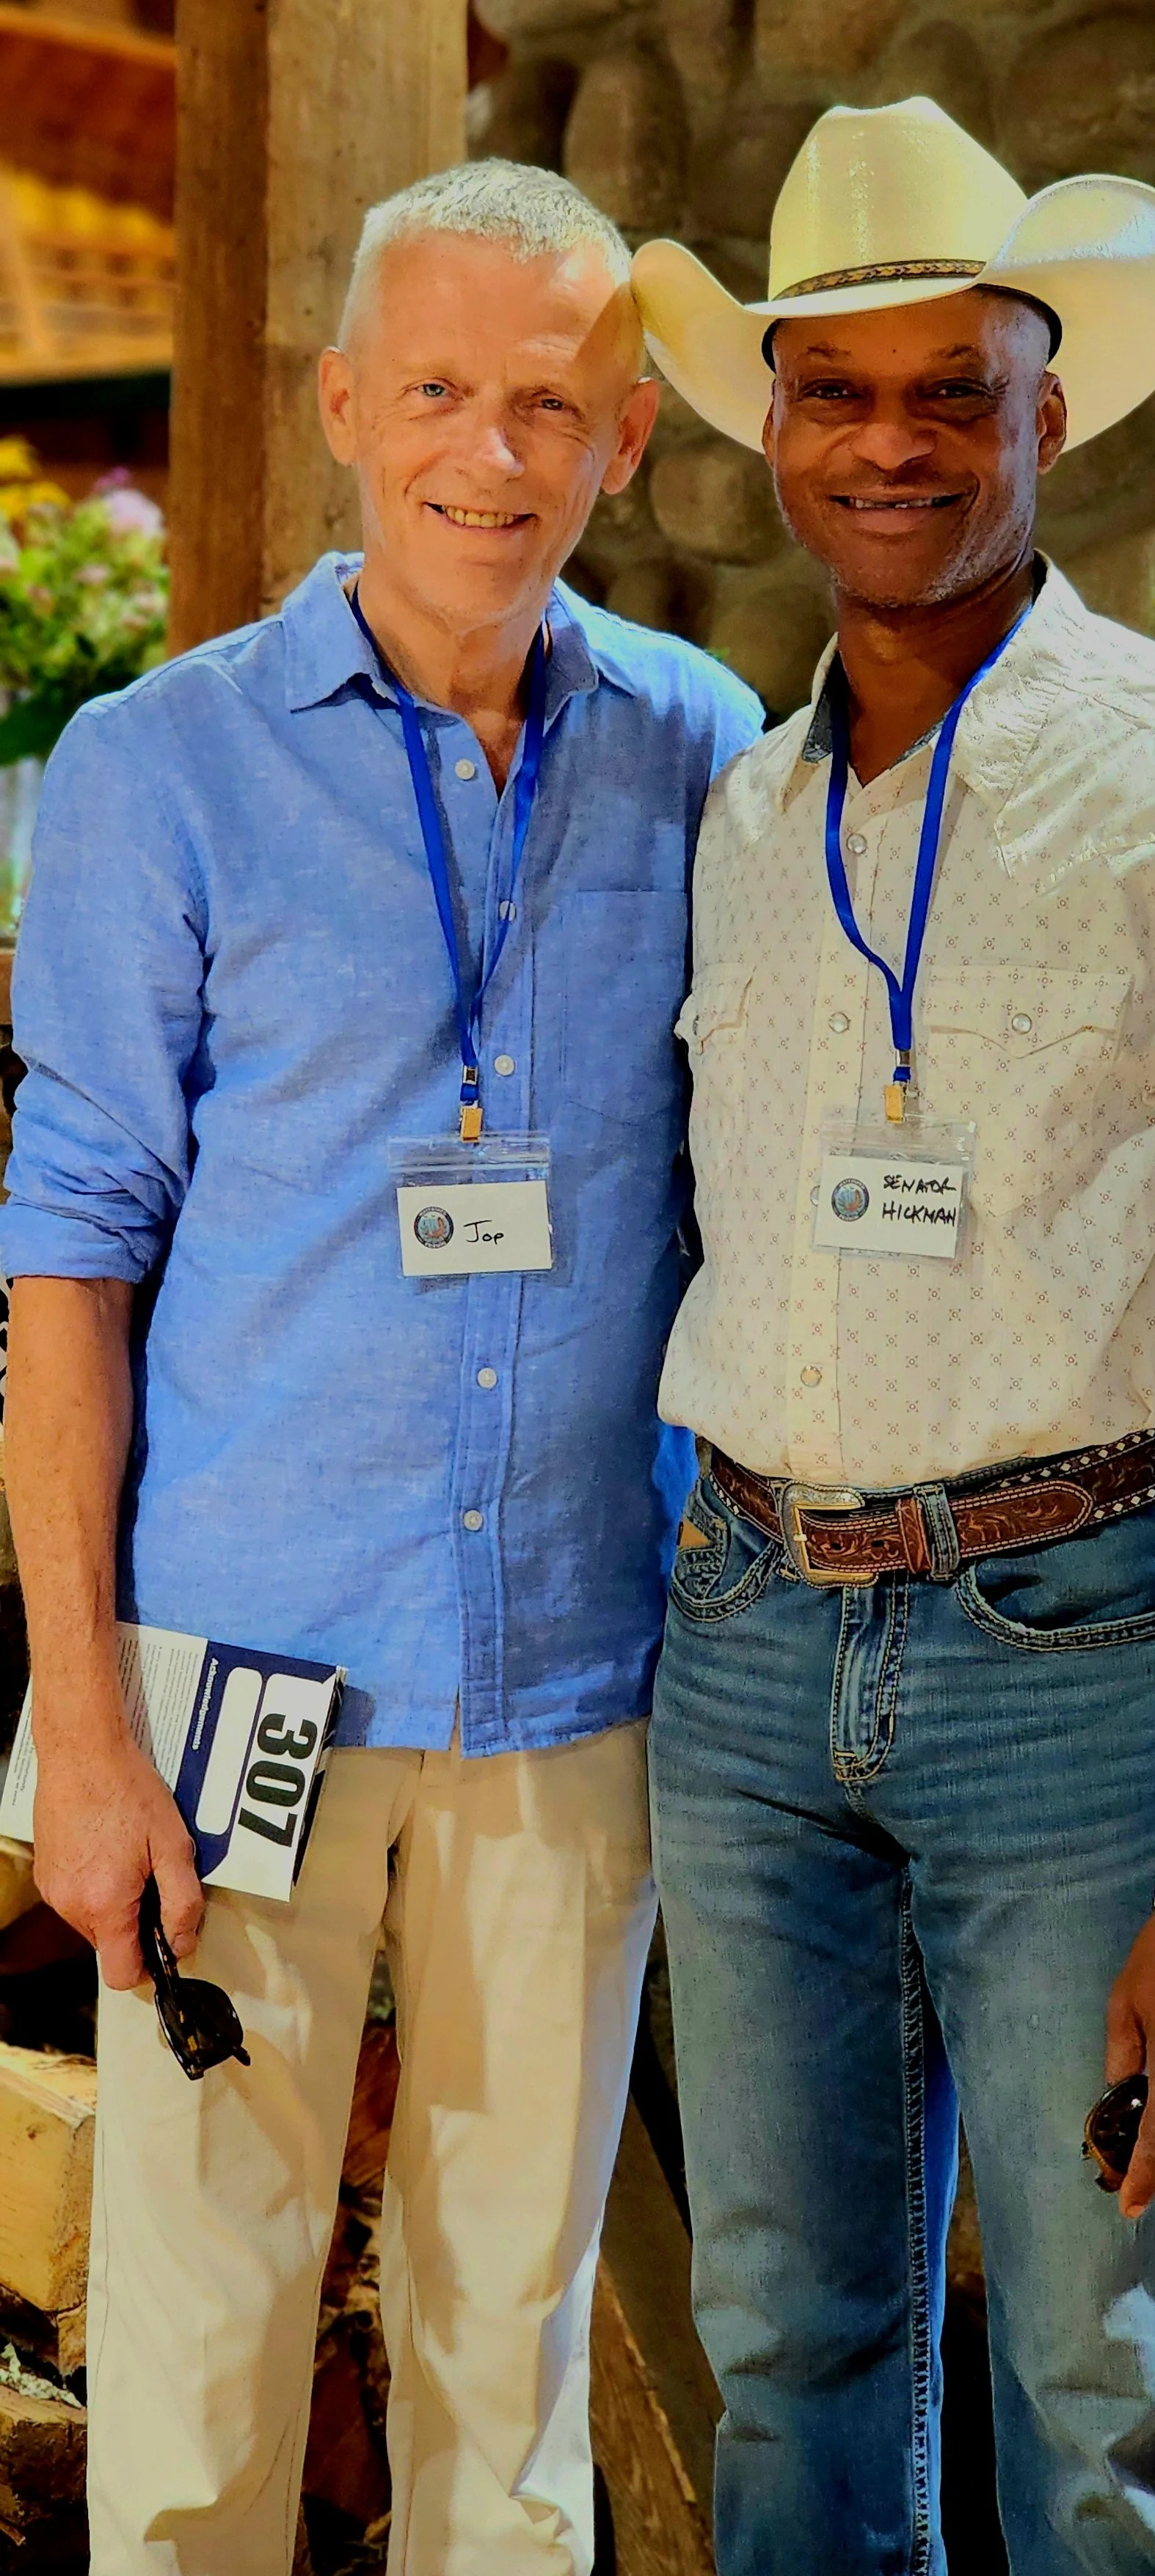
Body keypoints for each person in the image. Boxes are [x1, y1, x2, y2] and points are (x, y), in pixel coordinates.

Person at [1, 158, 761, 2576]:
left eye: (547, 401)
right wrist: (85, 1733)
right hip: (241, 1676)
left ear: (625, 439)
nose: (487, 451)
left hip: (578, 1676)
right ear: (343, 404)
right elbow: (67, 1264)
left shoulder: (706, 748)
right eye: (436, 389)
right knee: (200, 2363)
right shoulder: (161, 768)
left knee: (507, 2369)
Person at [631, 97, 1155, 2574]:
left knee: (1103, 2388)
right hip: (745, 1655)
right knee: (786, 2354)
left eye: (955, 388)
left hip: (1072, 1672)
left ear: (1050, 408)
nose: (892, 442)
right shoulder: (743, 823)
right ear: (768, 424)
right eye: (835, 390)